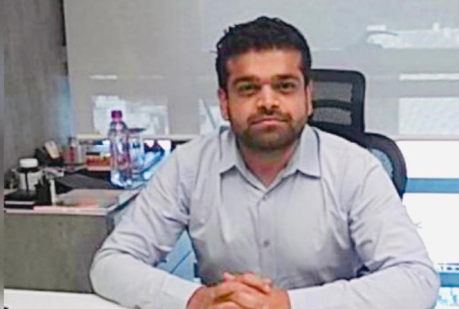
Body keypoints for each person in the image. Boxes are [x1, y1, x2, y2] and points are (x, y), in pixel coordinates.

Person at [90, 16, 440, 309]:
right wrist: (196, 299)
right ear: (224, 103)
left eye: (285, 86)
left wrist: (289, 305)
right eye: (248, 89)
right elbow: (110, 265)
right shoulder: (190, 166)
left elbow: (416, 279)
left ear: (308, 97)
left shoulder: (355, 169)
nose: (268, 102)